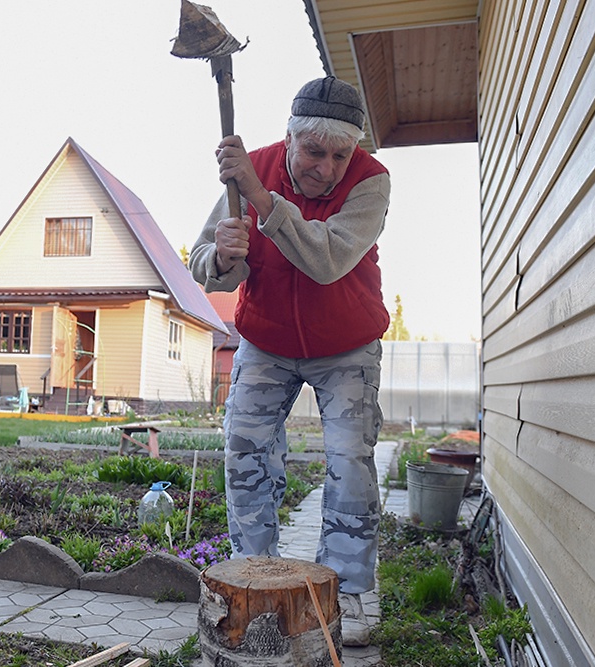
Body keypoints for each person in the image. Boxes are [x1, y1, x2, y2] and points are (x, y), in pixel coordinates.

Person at [189, 76, 391, 647]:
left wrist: (260, 198)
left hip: (346, 343)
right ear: (289, 138)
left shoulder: (371, 183)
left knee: (350, 458)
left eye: (339, 155)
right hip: (268, 338)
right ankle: (254, 576)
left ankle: (349, 589)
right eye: (313, 152)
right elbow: (204, 257)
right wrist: (223, 259)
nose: (326, 167)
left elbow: (326, 259)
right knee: (245, 446)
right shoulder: (251, 166)